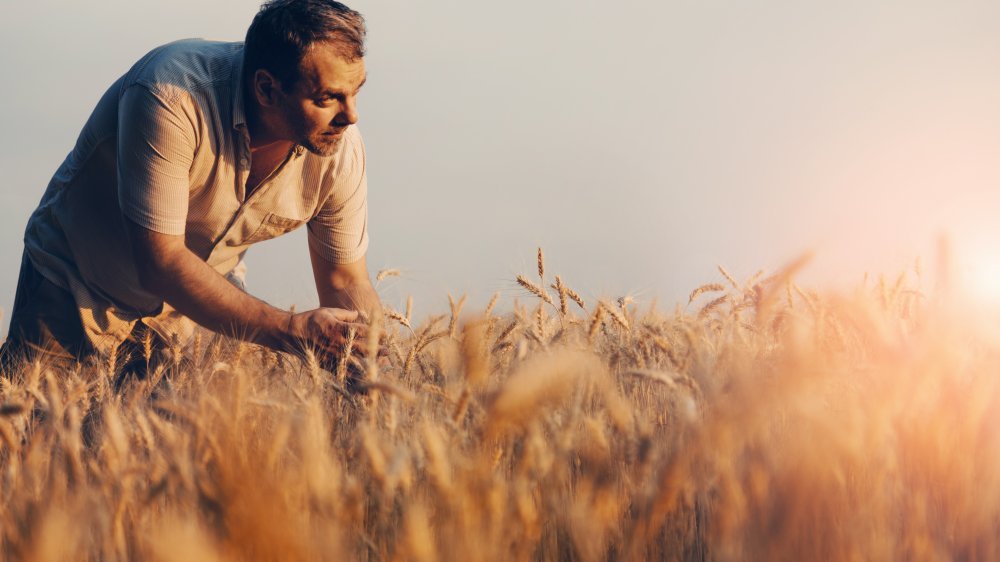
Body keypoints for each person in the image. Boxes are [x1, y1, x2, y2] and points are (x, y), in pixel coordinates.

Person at [0, 0, 379, 379]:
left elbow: (344, 280)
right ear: (266, 88)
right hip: (74, 291)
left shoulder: (339, 148)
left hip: (190, 321)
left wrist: (372, 368)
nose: (352, 115)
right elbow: (160, 263)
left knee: (169, 439)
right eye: (327, 98)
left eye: (357, 91)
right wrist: (290, 331)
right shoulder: (170, 96)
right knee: (36, 432)